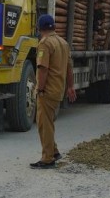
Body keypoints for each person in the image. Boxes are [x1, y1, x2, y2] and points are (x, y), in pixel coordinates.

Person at [31, 14, 76, 169]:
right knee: (48, 122)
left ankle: (47, 158)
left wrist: (40, 89)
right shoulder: (63, 43)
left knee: (44, 124)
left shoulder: (45, 43)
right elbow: (69, 68)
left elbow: (43, 69)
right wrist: (70, 86)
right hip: (59, 89)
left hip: (48, 90)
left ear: (39, 28)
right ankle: (54, 152)